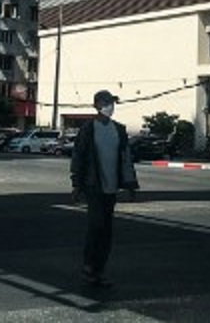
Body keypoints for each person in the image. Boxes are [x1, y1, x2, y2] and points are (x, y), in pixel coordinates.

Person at [70, 90, 139, 287]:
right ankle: (89, 267)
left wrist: (130, 185)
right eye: (106, 103)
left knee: (106, 231)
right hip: (93, 186)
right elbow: (79, 157)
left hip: (112, 188)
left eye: (112, 103)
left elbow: (126, 158)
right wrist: (76, 184)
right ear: (97, 106)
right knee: (96, 227)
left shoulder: (119, 129)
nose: (110, 106)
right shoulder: (88, 129)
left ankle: (98, 270)